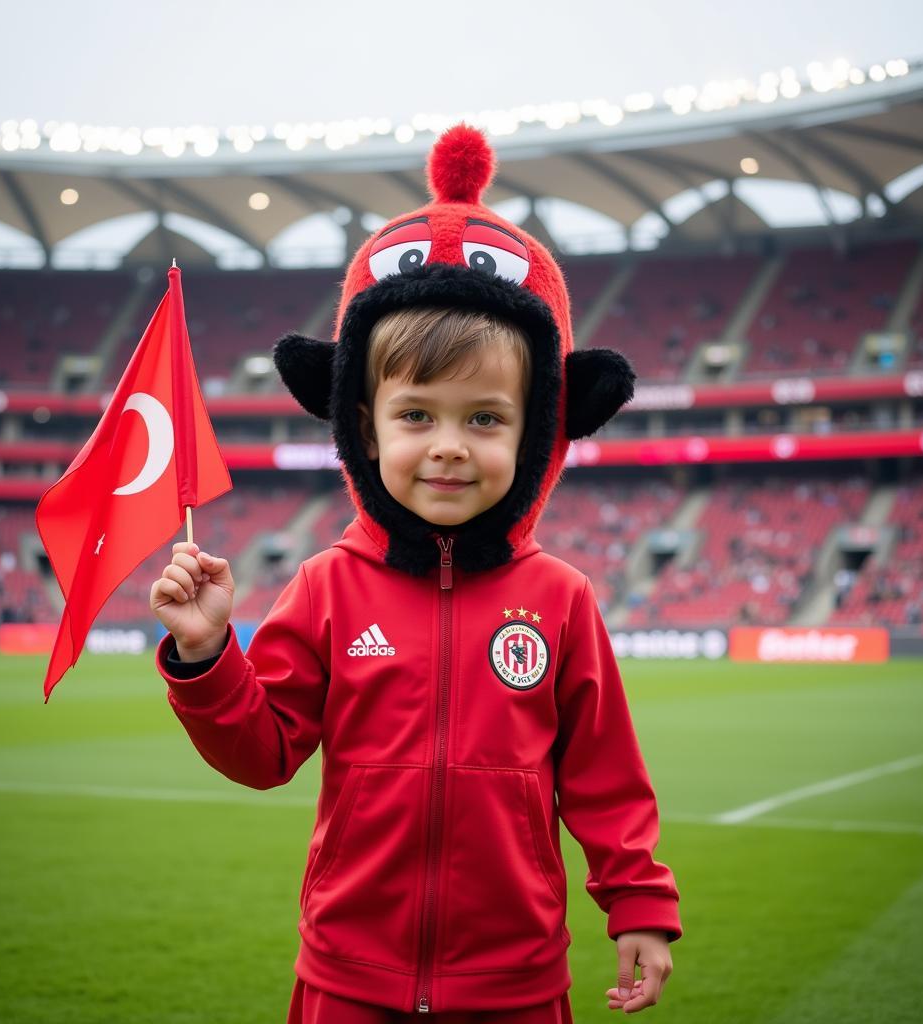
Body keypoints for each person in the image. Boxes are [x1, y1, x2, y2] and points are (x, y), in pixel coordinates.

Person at [150, 125, 681, 1022]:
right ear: (365, 426)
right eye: (415, 416)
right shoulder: (325, 585)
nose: (447, 447)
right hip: (347, 977)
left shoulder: (560, 599)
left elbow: (604, 774)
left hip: (514, 985)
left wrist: (638, 903)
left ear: (538, 429)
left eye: (483, 419)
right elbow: (265, 751)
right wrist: (208, 660)